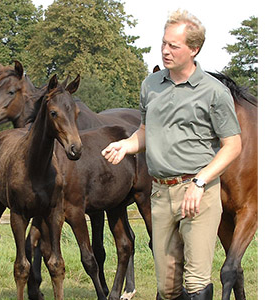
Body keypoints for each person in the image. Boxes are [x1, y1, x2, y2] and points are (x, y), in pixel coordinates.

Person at [101, 9, 242, 300]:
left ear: (194, 49)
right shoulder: (150, 85)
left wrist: (201, 182)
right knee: (166, 288)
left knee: (196, 283)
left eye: (173, 46)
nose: (165, 51)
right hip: (160, 193)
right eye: (164, 43)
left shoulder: (214, 92)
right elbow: (145, 130)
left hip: (198, 193)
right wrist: (127, 145)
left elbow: (233, 145)